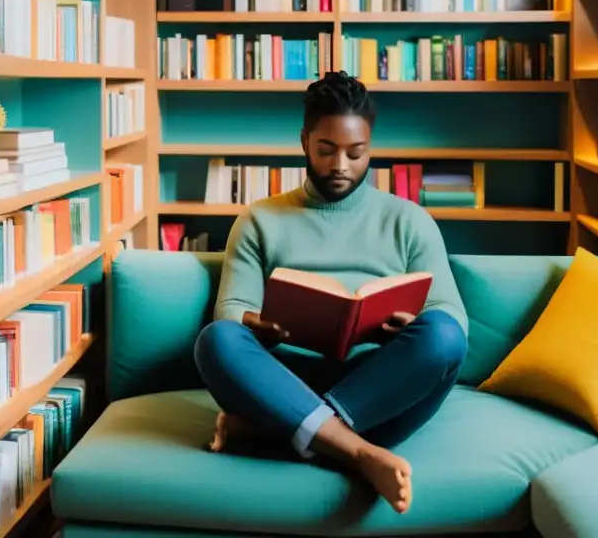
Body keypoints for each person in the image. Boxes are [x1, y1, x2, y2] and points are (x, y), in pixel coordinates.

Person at [193, 71, 468, 515]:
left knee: (447, 336)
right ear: (304, 142)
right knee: (216, 340)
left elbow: (450, 315)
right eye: (326, 150)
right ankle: (360, 451)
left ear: (371, 148)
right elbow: (231, 310)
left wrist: (410, 327)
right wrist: (256, 325)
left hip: (380, 383)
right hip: (283, 380)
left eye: (356, 153)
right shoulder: (261, 218)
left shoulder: (410, 220)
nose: (341, 165)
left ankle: (276, 432)